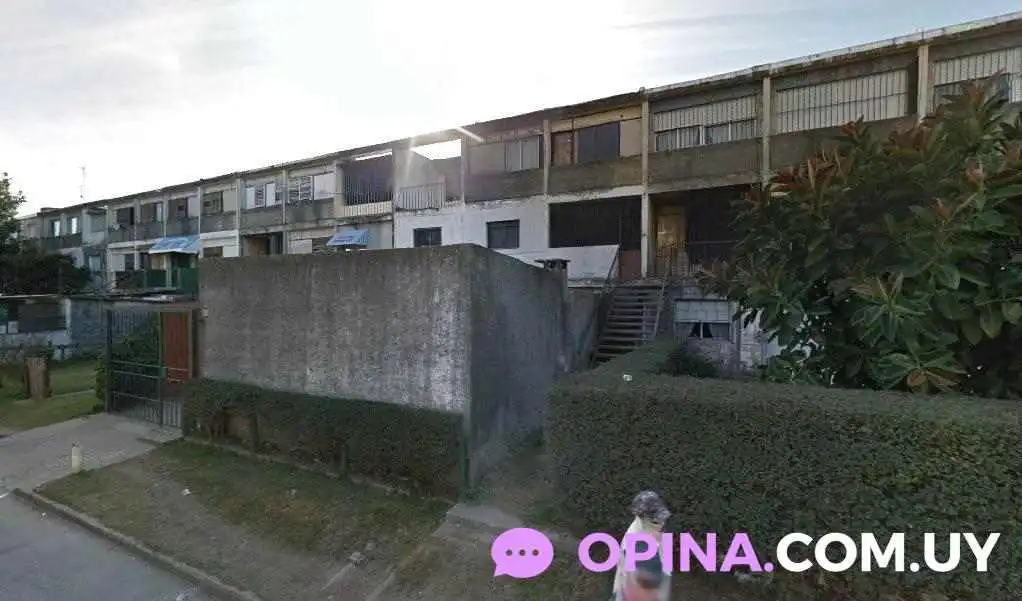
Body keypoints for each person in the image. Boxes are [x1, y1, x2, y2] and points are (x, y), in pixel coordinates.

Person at [611, 491, 672, 601]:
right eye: (655, 520)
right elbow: (639, 586)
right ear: (642, 518)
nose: (661, 523)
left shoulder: (653, 531)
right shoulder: (636, 543)